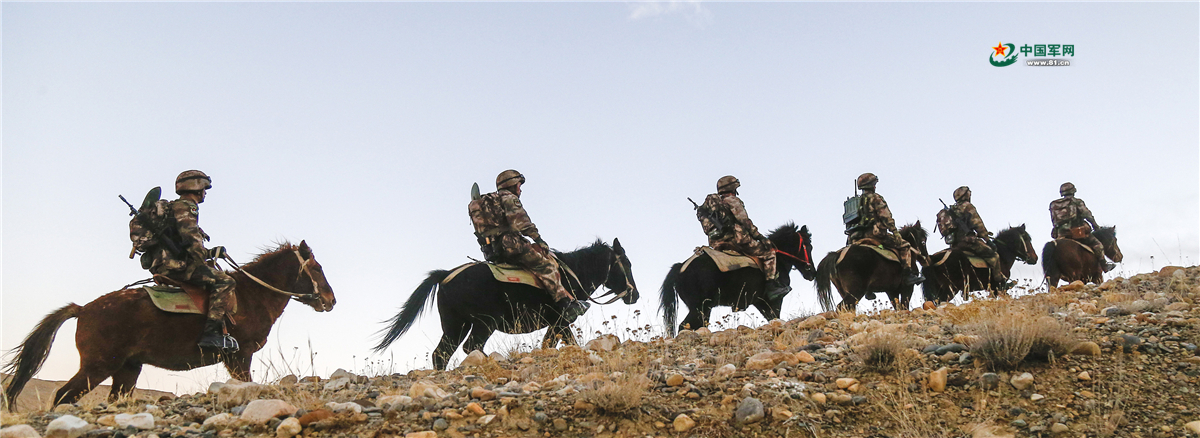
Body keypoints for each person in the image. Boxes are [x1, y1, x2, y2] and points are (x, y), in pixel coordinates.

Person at [468, 170, 589, 320]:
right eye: (519, 185)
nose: (520, 190)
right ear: (512, 184)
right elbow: (521, 223)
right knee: (546, 266)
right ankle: (565, 303)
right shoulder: (509, 198)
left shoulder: (488, 204)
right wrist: (538, 240)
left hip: (493, 250)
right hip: (513, 246)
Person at [146, 170, 239, 353]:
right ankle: (211, 334)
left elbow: (183, 243)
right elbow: (191, 240)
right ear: (196, 187)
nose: (205, 193)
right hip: (176, 267)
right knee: (225, 281)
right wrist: (203, 259)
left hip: (165, 264)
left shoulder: (174, 207)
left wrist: (211, 252)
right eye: (204, 189)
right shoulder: (187, 206)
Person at [697, 175, 790, 299]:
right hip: (737, 241)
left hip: (716, 244)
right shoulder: (732, 200)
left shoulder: (710, 207)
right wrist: (760, 237)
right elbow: (745, 222)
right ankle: (771, 287)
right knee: (769, 253)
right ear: (732, 188)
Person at [845, 173, 924, 285]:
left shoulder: (858, 201)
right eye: (874, 184)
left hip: (860, 235)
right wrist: (895, 232)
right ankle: (907, 275)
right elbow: (885, 216)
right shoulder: (876, 198)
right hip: (876, 234)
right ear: (871, 185)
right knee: (905, 246)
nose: (875, 186)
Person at [937, 186, 1012, 288]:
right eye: (969, 193)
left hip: (955, 244)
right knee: (994, 256)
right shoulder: (968, 206)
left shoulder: (952, 210)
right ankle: (1000, 282)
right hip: (968, 242)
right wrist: (987, 240)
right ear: (966, 195)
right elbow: (978, 224)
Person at [1049, 182, 1112, 272]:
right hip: (1077, 232)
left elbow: (1054, 220)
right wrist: (1095, 226)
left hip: (1061, 233)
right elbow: (1087, 215)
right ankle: (1104, 265)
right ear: (1073, 191)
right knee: (1097, 244)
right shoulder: (1077, 201)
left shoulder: (1054, 204)